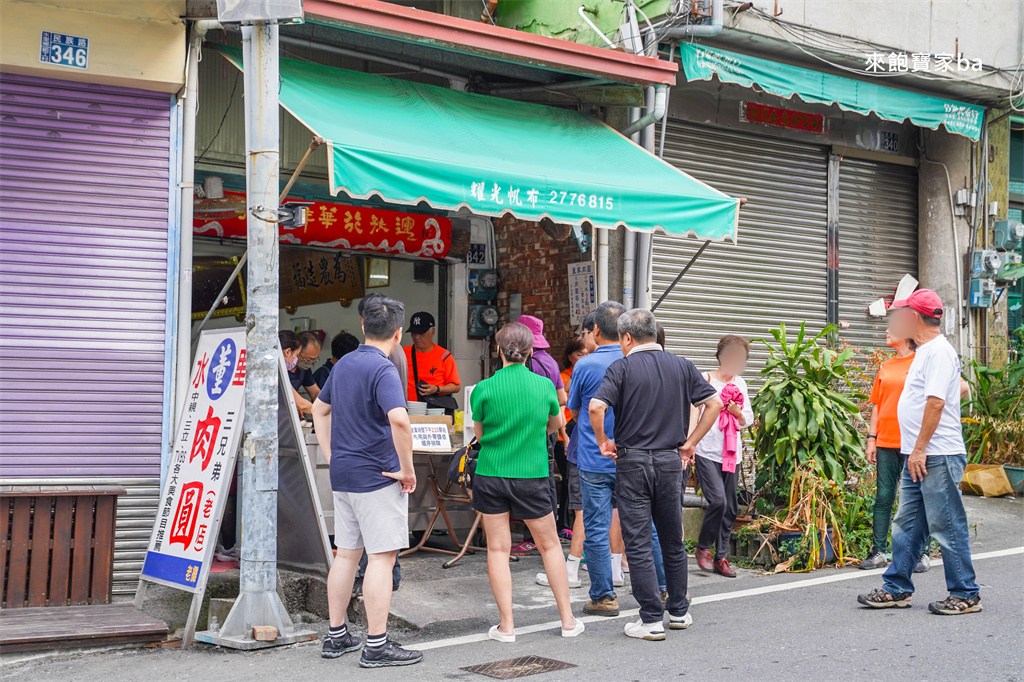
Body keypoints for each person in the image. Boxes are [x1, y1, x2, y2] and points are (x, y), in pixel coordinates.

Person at [590, 308, 723, 641]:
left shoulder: (621, 367)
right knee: (672, 539)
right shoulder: (681, 365)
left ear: (627, 338)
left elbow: (595, 407)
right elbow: (715, 404)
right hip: (669, 461)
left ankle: (650, 618)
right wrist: (690, 444)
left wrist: (604, 442)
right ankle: (679, 611)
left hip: (633, 462)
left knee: (637, 542)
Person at [311, 295, 423, 667]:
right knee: (381, 558)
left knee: (346, 555)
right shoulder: (384, 368)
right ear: (398, 332)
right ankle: (376, 644)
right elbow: (400, 420)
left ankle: (337, 634)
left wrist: (331, 453)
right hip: (378, 475)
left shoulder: (343, 365)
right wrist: (407, 469)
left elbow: (319, 408)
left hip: (344, 475)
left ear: (363, 325)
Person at [857, 288, 982, 616]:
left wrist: (920, 449)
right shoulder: (925, 352)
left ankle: (966, 593)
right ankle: (897, 586)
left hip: (935, 454)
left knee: (947, 525)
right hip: (921, 454)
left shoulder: (938, 352)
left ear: (913, 317)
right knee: (907, 523)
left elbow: (936, 402)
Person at [470, 322, 584, 641]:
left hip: (491, 473)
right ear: (531, 352)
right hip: (532, 474)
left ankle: (506, 627)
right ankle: (568, 621)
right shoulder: (544, 386)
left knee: (497, 548)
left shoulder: (483, 389)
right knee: (549, 546)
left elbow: (480, 435)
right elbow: (555, 424)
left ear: (498, 351)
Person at [568, 301, 628, 617]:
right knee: (645, 523)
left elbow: (577, 409)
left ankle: (604, 597)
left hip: (594, 456)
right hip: (633, 456)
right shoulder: (635, 360)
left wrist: (600, 436)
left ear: (595, 331)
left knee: (595, 525)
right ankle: (662, 590)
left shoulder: (586, 365)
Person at [859, 330, 931, 573]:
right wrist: (872, 438)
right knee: (884, 496)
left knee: (918, 499)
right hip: (886, 441)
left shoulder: (921, 362)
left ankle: (922, 553)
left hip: (913, 442)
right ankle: (878, 551)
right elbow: (877, 406)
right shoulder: (886, 366)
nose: (888, 330)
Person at [693, 335, 754, 579]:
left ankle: (722, 557)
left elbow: (747, 419)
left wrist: (737, 412)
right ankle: (703, 547)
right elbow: (693, 413)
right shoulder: (706, 379)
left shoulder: (742, 383)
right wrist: (690, 443)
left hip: (731, 452)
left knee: (729, 507)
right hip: (707, 450)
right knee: (717, 501)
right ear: (720, 356)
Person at [512, 314, 567, 556]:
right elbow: (562, 399)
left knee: (532, 482)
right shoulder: (551, 363)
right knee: (545, 479)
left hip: (529, 430)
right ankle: (547, 535)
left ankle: (532, 538)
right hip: (547, 430)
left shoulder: (530, 363)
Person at [537, 334, 589, 588]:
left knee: (575, 493)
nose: (583, 357)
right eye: (579, 354)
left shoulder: (579, 374)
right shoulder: (564, 374)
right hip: (565, 433)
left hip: (571, 434)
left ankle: (571, 558)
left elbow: (569, 406)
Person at [404, 311, 461, 411]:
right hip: (409, 410)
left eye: (421, 333)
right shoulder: (403, 354)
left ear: (433, 331)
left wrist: (437, 389)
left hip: (436, 411)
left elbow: (456, 386)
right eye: (414, 333)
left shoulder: (444, 356)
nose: (417, 337)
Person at [280, 330, 321, 416]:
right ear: (288, 352)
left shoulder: (303, 370)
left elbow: (315, 393)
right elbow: (302, 405)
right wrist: (324, 413)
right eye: (297, 354)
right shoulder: (276, 373)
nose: (310, 363)